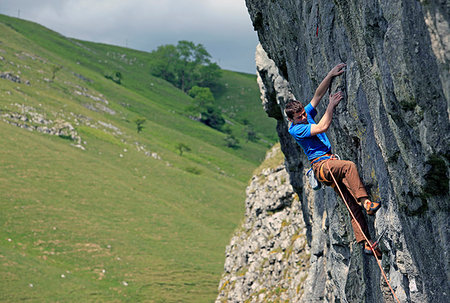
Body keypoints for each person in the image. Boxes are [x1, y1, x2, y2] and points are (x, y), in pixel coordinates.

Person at [285, 63, 382, 258]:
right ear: (292, 119)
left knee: (349, 203)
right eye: (300, 116)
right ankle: (367, 203)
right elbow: (322, 127)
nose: (304, 116)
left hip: (326, 167)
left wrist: (330, 75)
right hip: (323, 166)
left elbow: (317, 96)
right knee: (348, 167)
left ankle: (365, 243)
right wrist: (331, 106)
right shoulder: (297, 129)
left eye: (303, 113)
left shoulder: (303, 116)